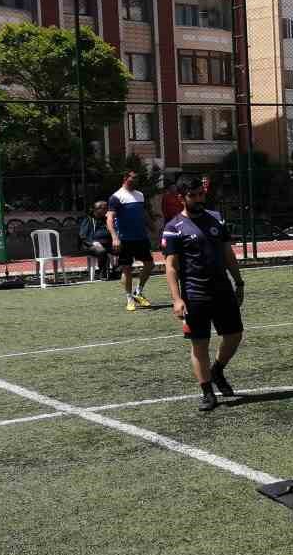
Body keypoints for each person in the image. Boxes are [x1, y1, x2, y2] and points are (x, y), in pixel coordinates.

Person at [162, 175, 246, 412]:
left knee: (234, 335)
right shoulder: (173, 228)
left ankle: (217, 370)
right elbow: (171, 267)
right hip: (195, 294)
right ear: (181, 198)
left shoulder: (216, 219)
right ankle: (207, 392)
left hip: (223, 291)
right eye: (194, 195)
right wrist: (176, 299)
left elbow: (228, 253)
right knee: (200, 345)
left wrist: (239, 283)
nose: (199, 199)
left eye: (202, 194)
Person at [107, 169, 156, 311]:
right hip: (125, 239)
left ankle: (138, 292)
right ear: (125, 178)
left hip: (141, 237)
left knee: (149, 264)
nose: (136, 180)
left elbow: (143, 213)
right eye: (133, 178)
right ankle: (129, 298)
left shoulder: (140, 195)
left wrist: (151, 226)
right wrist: (114, 237)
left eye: (137, 178)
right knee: (127, 269)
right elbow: (110, 219)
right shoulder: (116, 197)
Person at [78, 200, 113, 279]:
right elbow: (82, 236)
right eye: (104, 208)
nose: (107, 210)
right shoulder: (89, 219)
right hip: (90, 245)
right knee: (101, 251)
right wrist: (93, 242)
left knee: (124, 248)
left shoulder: (107, 219)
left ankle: (116, 270)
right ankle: (102, 274)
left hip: (107, 243)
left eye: (107, 208)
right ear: (97, 209)